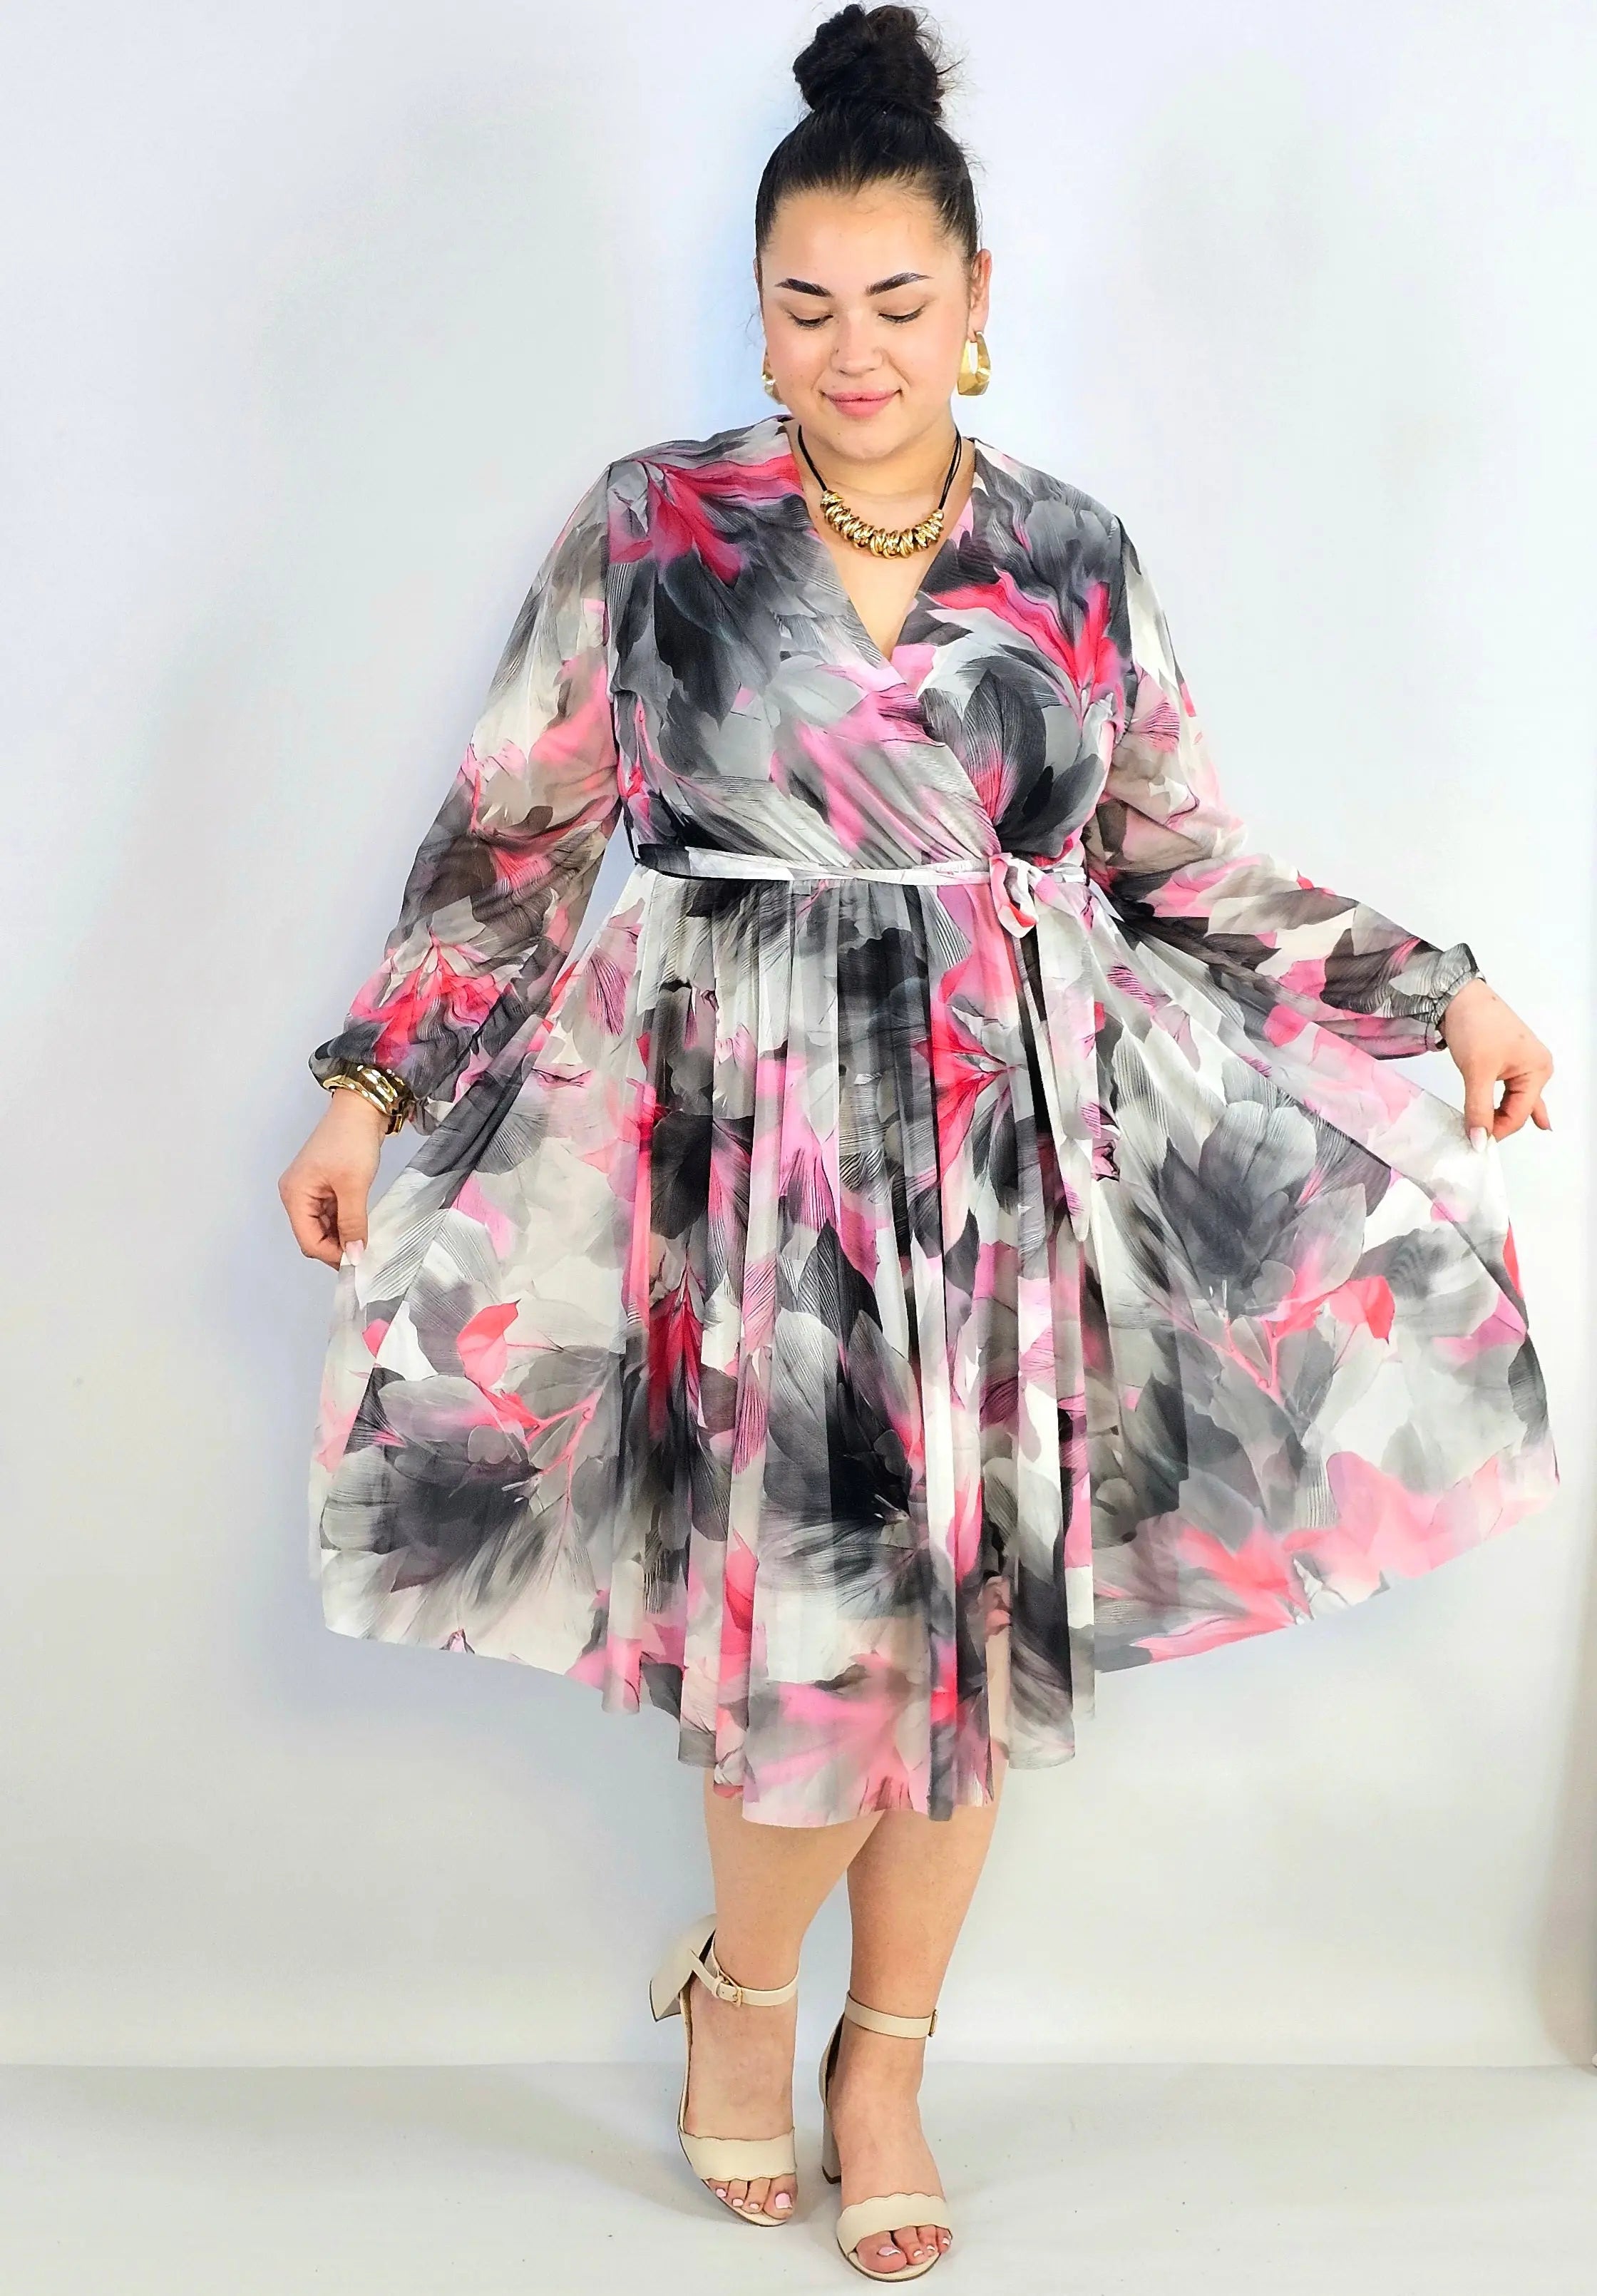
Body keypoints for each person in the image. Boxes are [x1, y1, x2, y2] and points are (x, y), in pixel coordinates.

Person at [278, 4, 1560, 2277]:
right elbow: (516, 837)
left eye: (895, 300)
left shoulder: (1068, 552)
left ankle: (887, 2063)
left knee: (957, 1661)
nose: (849, 350)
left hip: (994, 1165)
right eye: (804, 305)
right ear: (756, 308)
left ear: (978, 301)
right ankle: (744, 1998)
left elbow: (1177, 862)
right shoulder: (657, 530)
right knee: (809, 1640)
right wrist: (372, 1087)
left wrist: (1431, 991)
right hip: (742, 1165)